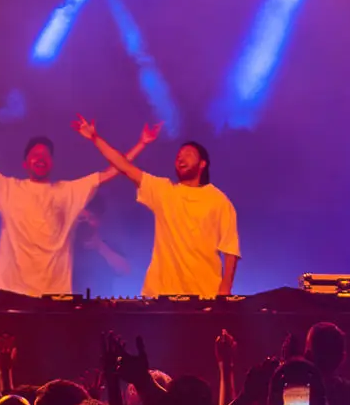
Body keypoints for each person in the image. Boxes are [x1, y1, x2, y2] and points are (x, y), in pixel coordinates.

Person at [0, 100, 155, 296]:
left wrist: (141, 144)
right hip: (12, 296)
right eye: (35, 155)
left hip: (55, 298)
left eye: (45, 155)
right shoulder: (8, 188)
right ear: (25, 164)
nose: (40, 158)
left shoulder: (67, 191)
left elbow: (111, 172)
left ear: (51, 163)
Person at [73, 116, 240, 297]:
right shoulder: (164, 190)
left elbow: (230, 249)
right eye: (178, 156)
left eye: (188, 154)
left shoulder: (218, 201)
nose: (181, 158)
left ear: (202, 164)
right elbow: (124, 166)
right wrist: (95, 138)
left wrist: (225, 289)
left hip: (204, 295)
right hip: (161, 296)